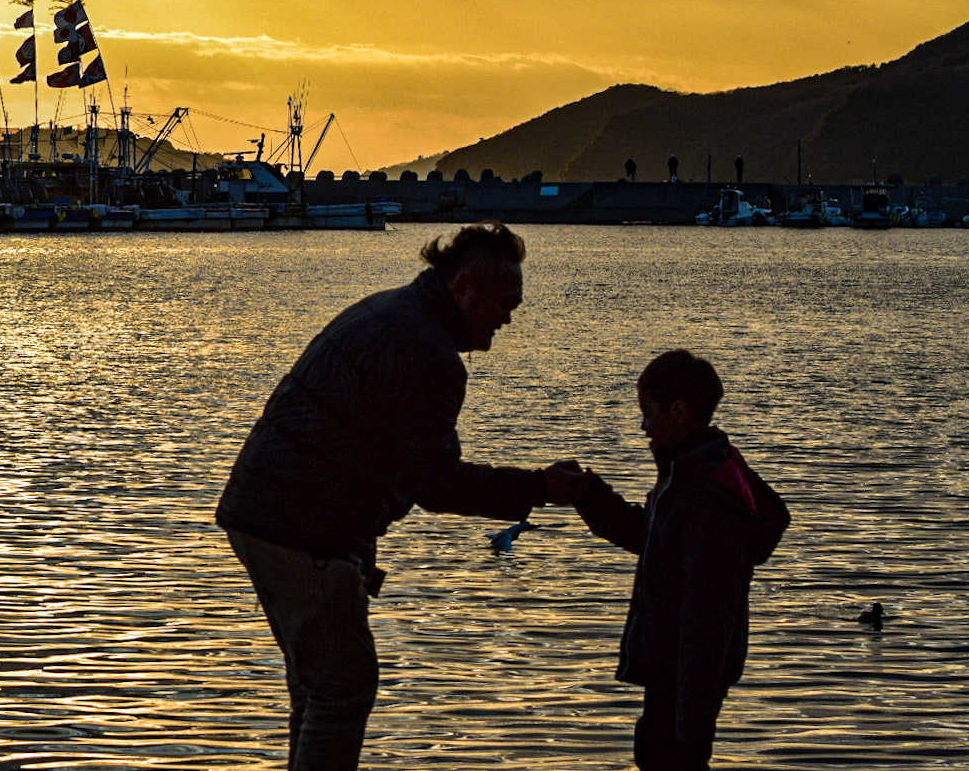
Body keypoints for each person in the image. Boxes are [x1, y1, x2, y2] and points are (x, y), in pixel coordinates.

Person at [215, 221, 583, 771]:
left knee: (318, 687)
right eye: (505, 302)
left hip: (264, 515)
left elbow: (380, 458)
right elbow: (435, 483)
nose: (510, 315)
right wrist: (540, 487)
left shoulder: (388, 311)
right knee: (343, 687)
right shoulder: (426, 352)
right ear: (462, 289)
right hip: (300, 530)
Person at [563, 350, 789, 771]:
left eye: (648, 412)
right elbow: (650, 539)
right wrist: (589, 495)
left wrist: (691, 736)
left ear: (679, 412)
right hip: (674, 684)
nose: (643, 425)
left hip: (686, 691)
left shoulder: (707, 499)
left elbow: (706, 623)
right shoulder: (686, 478)